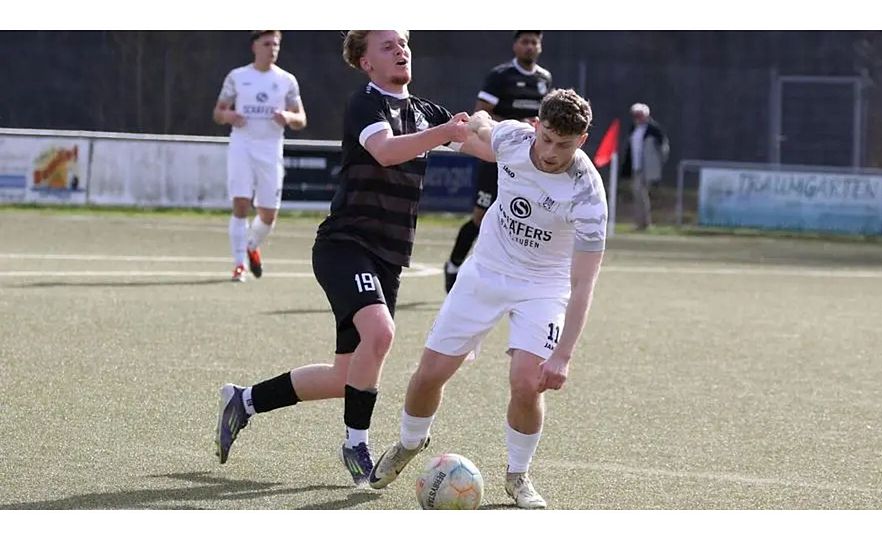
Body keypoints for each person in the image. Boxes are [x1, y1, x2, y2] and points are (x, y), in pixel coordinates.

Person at [214, 30, 488, 486]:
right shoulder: (366, 102)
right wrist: (445, 132)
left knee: (348, 374)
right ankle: (355, 443)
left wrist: (520, 141)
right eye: (387, 46)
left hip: (388, 257)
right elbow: (384, 151)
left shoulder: (423, 111)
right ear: (365, 63)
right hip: (345, 245)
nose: (401, 49)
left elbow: (481, 142)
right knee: (379, 333)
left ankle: (243, 401)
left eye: (403, 42)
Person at [369, 89, 607, 509]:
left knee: (526, 382)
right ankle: (409, 444)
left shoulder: (587, 195)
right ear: (536, 126)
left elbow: (584, 283)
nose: (551, 152)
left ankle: (518, 476)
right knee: (429, 374)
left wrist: (563, 356)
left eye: (564, 145)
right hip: (484, 272)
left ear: (582, 140)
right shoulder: (514, 138)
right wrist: (475, 121)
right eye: (546, 138)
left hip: (543, 286)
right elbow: (482, 128)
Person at [443, 31, 553, 292]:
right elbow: (481, 113)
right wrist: (515, 127)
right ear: (516, 46)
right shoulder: (500, 76)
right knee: (480, 218)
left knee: (526, 218)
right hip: (497, 156)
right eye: (525, 41)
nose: (529, 46)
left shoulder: (544, 79)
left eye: (534, 42)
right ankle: (455, 264)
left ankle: (516, 276)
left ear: (540, 47)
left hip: (529, 162)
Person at [213, 30, 307, 282]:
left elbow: (301, 119)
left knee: (268, 214)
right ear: (254, 46)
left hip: (270, 148)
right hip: (242, 145)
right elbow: (218, 112)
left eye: (275, 44)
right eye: (267, 44)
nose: (272, 49)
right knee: (241, 203)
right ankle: (239, 264)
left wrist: (288, 117)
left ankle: (251, 245)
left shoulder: (287, 80)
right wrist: (229, 116)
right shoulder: (238, 77)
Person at [620, 102, 669, 231]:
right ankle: (641, 222)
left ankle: (644, 222)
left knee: (640, 192)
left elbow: (663, 147)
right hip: (635, 167)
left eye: (639, 115)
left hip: (647, 168)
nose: (637, 118)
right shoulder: (634, 129)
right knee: (638, 193)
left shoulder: (653, 130)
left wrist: (658, 163)